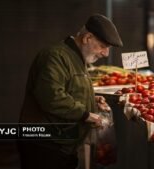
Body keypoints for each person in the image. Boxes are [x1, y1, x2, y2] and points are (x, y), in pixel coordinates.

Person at [18, 13, 123, 169]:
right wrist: (86, 114)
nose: (105, 53)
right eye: (103, 46)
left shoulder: (77, 58)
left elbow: (70, 89)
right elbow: (52, 97)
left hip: (62, 144)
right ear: (87, 38)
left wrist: (92, 100)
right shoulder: (55, 56)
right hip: (45, 145)